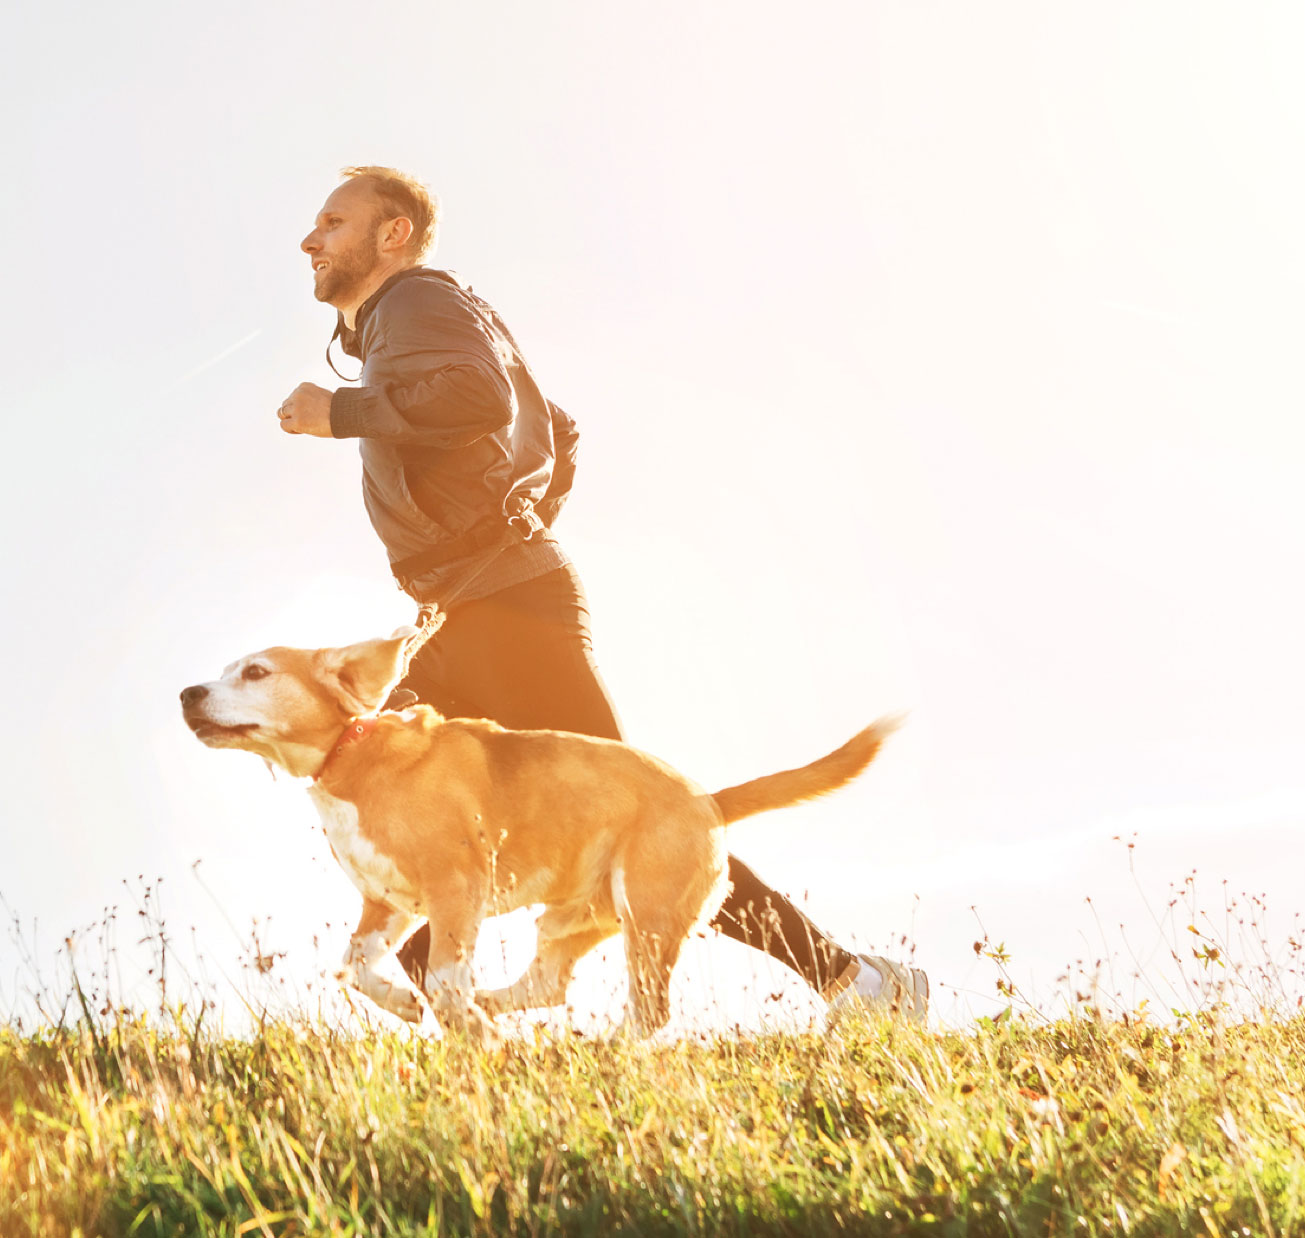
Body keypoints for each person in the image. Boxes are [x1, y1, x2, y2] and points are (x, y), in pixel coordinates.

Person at [274, 165, 927, 1023]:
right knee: (402, 796)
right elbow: (556, 426)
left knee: (642, 818)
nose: (310, 240)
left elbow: (477, 398)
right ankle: (465, 1027)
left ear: (393, 234)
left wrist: (345, 414)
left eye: (333, 222)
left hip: (503, 609)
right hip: (473, 605)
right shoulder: (422, 321)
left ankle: (858, 984)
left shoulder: (415, 303)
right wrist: (510, 522)